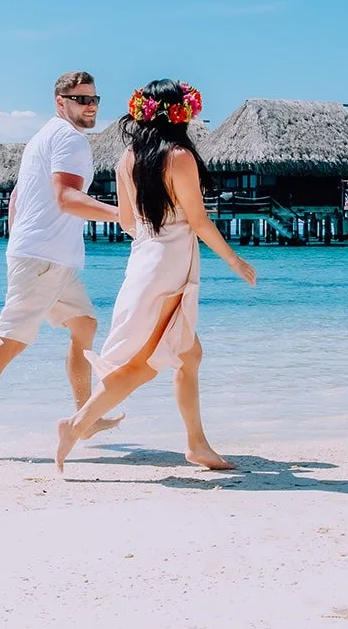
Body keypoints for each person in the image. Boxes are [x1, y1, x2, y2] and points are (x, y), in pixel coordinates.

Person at [55, 79, 257, 472]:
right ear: (180, 114)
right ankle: (76, 425)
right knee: (145, 364)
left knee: (188, 354)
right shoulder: (180, 157)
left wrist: (157, 231)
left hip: (145, 256)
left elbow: (129, 222)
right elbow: (198, 221)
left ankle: (197, 443)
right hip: (170, 261)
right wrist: (235, 261)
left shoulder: (126, 158)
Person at [0, 71, 124, 460]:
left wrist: (19, 241)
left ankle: (84, 418)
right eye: (81, 99)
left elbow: (17, 198)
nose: (90, 106)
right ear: (61, 102)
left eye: (95, 99)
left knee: (85, 325)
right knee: (11, 341)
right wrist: (123, 215)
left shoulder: (43, 137)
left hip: (50, 258)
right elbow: (67, 198)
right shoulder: (69, 139)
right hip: (44, 259)